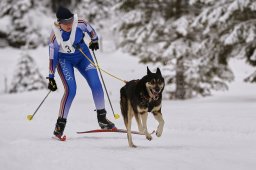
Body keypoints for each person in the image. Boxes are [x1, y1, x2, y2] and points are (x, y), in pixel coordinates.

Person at [48, 6, 115, 138]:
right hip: (64, 61)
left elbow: (92, 31)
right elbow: (52, 57)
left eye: (71, 21)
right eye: (65, 22)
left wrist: (94, 41)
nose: (69, 25)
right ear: (59, 23)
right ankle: (59, 126)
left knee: (96, 84)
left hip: (83, 56)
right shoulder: (54, 37)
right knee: (71, 90)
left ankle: (102, 119)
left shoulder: (80, 23)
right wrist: (51, 76)